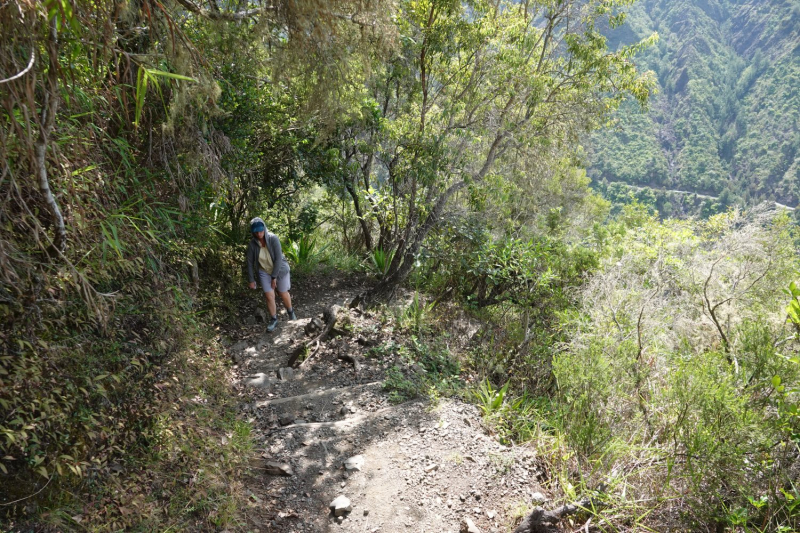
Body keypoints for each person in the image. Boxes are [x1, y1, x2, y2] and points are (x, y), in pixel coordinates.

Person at [246, 217, 296, 332]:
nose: (259, 234)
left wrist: (274, 277)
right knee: (269, 295)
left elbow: (278, 259)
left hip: (280, 269)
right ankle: (273, 319)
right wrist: (251, 280)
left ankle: (291, 312)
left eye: (261, 231)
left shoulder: (273, 238)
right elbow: (249, 262)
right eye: (256, 232)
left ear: (264, 228)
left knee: (283, 292)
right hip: (264, 270)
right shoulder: (252, 244)